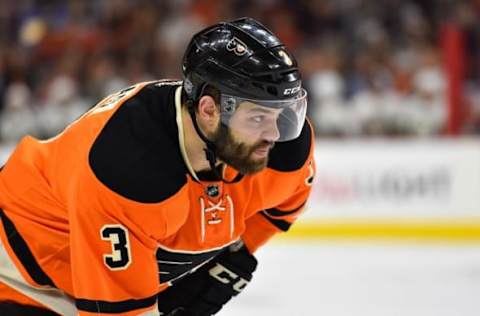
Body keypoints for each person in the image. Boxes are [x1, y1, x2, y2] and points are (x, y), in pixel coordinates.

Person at [0, 17, 315, 315]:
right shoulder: (128, 168)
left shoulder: (282, 148)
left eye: (283, 114)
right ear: (209, 109)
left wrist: (239, 252)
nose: (274, 134)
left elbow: (282, 206)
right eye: (258, 117)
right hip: (19, 273)